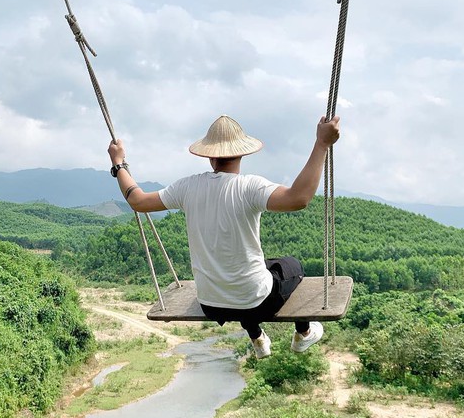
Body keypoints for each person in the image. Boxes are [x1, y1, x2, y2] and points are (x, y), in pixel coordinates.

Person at [107, 114, 340, 359]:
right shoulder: (250, 187)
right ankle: (303, 333)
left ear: (209, 156)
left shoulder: (186, 187)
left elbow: (137, 200)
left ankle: (257, 338)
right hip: (256, 301)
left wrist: (118, 163)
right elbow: (298, 198)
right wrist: (321, 144)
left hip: (211, 305)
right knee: (291, 266)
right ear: (242, 153)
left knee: (259, 270)